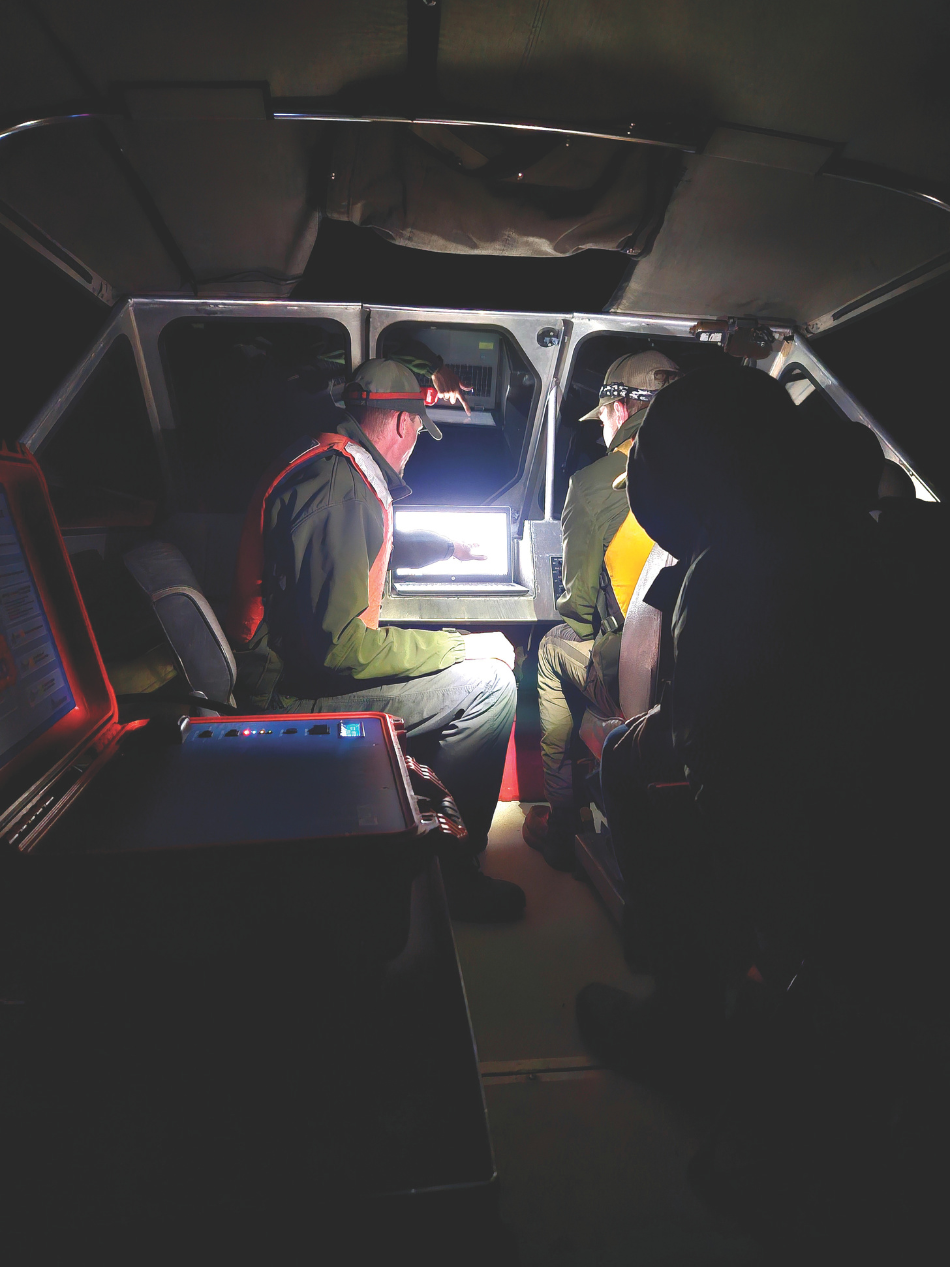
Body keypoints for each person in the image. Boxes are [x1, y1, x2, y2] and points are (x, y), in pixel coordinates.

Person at [576, 365, 896, 1083]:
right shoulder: (856, 523)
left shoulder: (730, 568)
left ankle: (682, 1018)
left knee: (628, 759)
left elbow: (722, 763)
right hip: (897, 824)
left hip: (827, 859)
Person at [226, 358, 525, 923]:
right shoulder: (342, 490)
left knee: (442, 660)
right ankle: (454, 873)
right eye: (418, 433)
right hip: (286, 697)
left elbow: (353, 544)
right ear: (404, 425)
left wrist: (445, 548)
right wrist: (465, 645)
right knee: (490, 686)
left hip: (293, 669)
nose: (416, 447)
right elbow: (339, 650)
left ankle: (420, 822)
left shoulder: (332, 464)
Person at [524, 351, 681, 868]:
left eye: (603, 416)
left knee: (551, 649)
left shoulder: (594, 483)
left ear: (620, 408)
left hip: (645, 675)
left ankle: (562, 825)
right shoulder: (715, 469)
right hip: (710, 670)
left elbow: (578, 609)